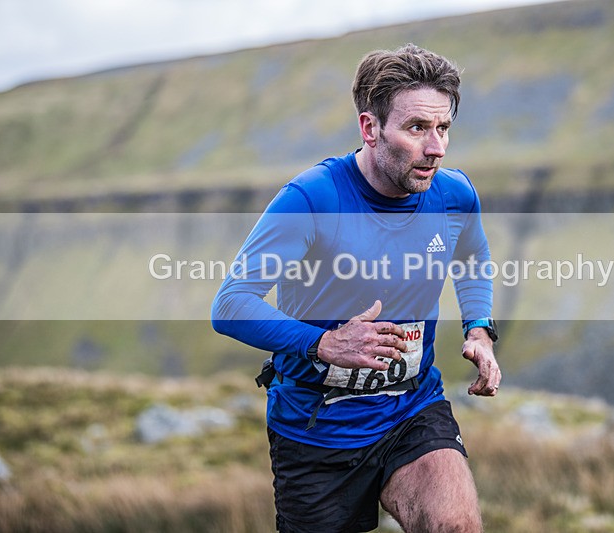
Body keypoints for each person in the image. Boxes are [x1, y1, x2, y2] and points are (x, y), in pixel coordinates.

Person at [212, 43, 501, 533]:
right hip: (316, 428)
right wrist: (323, 342)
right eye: (417, 129)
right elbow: (230, 304)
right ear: (370, 129)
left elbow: (473, 257)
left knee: (456, 526)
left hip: (411, 408)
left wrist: (479, 329)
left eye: (443, 128)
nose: (437, 148)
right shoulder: (311, 198)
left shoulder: (454, 194)